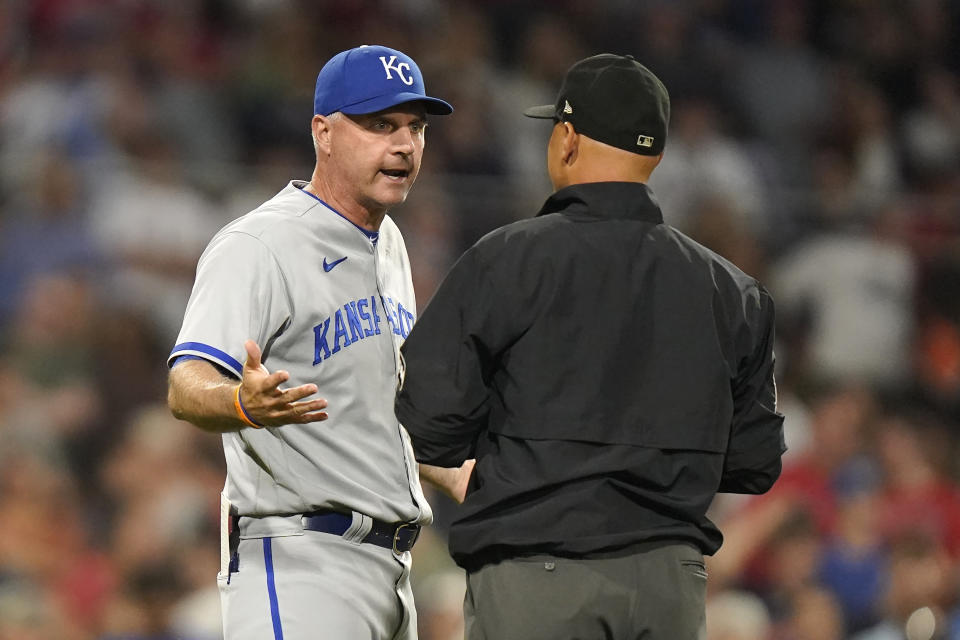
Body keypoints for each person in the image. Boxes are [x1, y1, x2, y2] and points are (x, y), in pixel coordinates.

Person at [395, 53, 786, 640]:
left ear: (568, 139)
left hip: (538, 576)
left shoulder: (507, 260)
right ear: (654, 154)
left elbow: (425, 422)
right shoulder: (732, 291)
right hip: (670, 585)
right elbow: (754, 463)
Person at [166, 45, 452, 640]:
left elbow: (369, 410)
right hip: (301, 564)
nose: (404, 144)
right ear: (324, 131)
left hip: (394, 570)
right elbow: (186, 383)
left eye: (414, 127)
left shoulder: (390, 243)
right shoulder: (260, 243)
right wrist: (240, 404)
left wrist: (449, 468)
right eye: (380, 125)